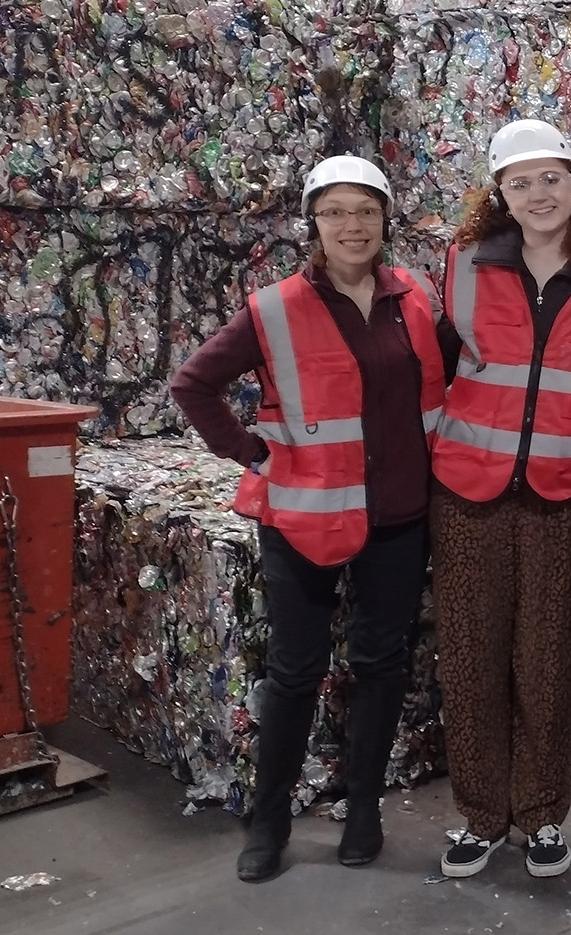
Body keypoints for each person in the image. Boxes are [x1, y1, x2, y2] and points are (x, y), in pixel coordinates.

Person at [171, 155, 448, 882]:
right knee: (295, 672)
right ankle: (270, 823)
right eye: (335, 213)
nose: (352, 226)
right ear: (314, 224)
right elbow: (193, 384)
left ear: (385, 220)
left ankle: (364, 812)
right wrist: (250, 453)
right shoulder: (274, 308)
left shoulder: (415, 297)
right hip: (303, 514)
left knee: (381, 664)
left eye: (366, 211)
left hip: (398, 513)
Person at [431, 119, 571, 880]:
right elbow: (438, 367)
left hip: (561, 490)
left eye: (551, 178)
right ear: (500, 193)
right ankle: (481, 816)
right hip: (466, 491)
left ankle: (541, 814)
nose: (538, 194)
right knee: (471, 655)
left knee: (548, 658)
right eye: (521, 182)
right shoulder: (464, 264)